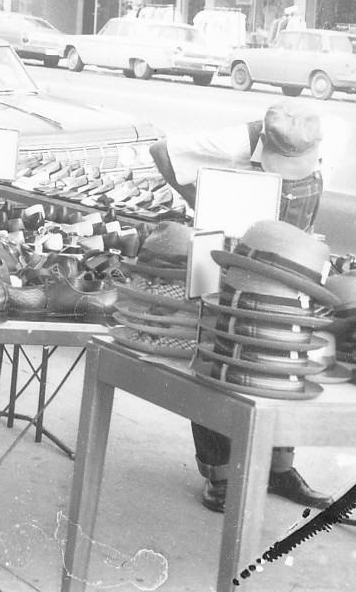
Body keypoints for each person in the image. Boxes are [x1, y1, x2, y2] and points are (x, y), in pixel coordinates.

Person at [148, 101, 336, 517]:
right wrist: (205, 201)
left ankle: (278, 469)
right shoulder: (238, 141)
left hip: (283, 263)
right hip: (228, 255)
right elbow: (162, 151)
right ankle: (220, 473)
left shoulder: (323, 139)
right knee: (216, 355)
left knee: (284, 357)